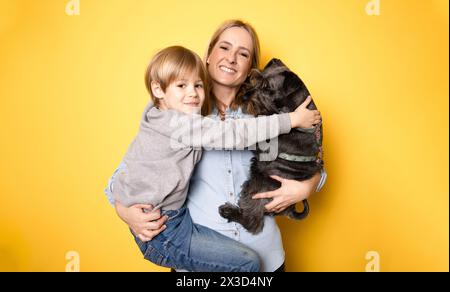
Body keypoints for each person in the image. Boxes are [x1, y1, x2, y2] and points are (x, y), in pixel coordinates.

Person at [105, 20, 327, 272]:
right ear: (208, 56)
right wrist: (127, 213)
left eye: (242, 54)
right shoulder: (178, 113)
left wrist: (305, 188)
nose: (231, 58)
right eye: (224, 48)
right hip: (199, 260)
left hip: (266, 256)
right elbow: (125, 176)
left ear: (250, 67)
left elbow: (311, 163)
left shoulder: (268, 116)